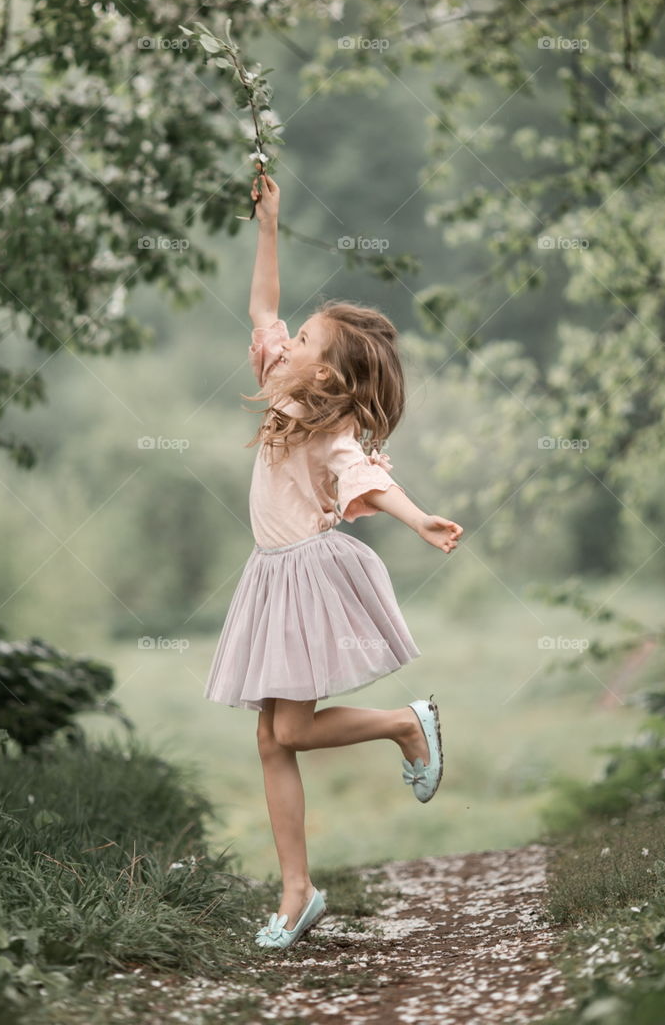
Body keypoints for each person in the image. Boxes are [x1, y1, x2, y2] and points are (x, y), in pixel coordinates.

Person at [203, 169, 464, 952]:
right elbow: (261, 304)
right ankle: (296, 892)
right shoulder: (281, 381)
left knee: (291, 729)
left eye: (307, 342)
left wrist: (418, 519)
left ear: (323, 373)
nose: (289, 341)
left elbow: (367, 481)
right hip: (269, 575)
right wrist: (270, 224)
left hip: (306, 578)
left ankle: (404, 724)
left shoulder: (329, 426)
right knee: (271, 737)